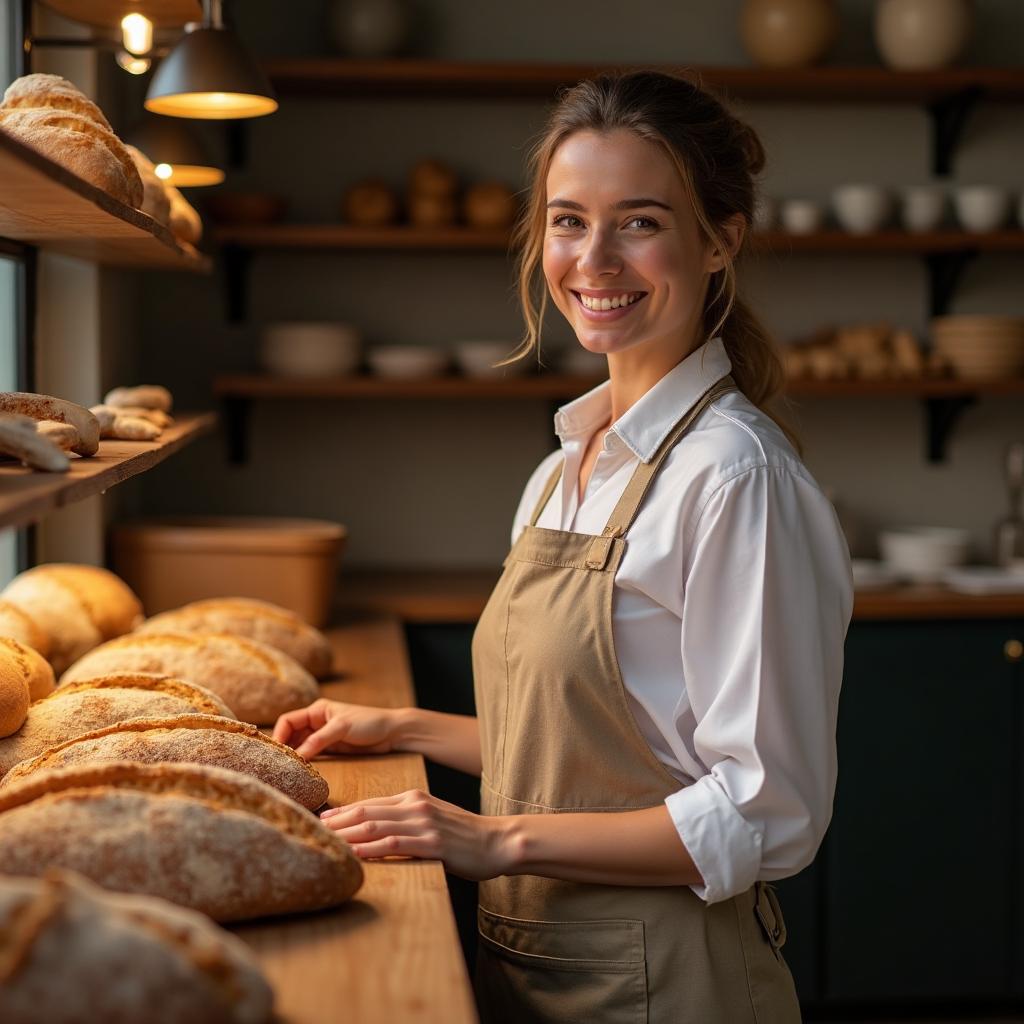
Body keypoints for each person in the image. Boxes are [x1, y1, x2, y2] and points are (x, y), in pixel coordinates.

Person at [273, 70, 853, 1024]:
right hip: (539, 964)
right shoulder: (567, 466)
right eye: (569, 220)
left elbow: (763, 810)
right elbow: (584, 763)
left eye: (640, 222)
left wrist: (495, 841)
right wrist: (404, 728)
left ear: (720, 241)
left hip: (673, 980)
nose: (595, 259)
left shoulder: (736, 480)